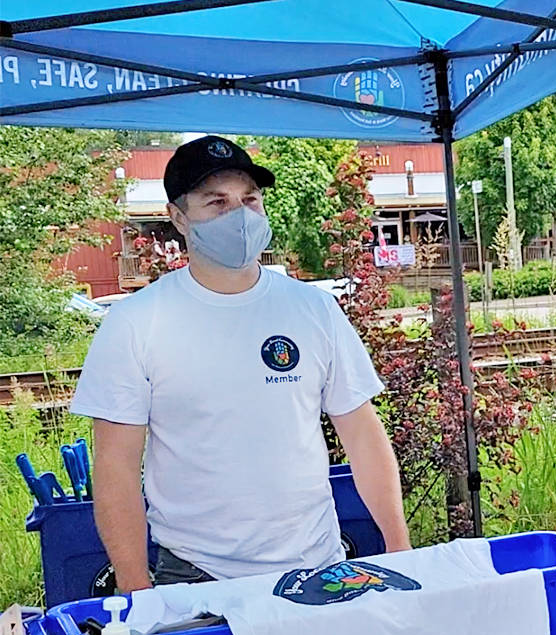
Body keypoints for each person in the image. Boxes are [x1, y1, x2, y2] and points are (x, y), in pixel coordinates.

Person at [72, 136, 410, 591]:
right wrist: (136, 588)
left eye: (250, 199)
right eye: (217, 202)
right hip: (196, 574)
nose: (241, 215)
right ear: (178, 217)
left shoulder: (313, 310)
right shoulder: (136, 323)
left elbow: (363, 436)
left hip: (320, 564)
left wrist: (398, 545)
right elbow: (115, 467)